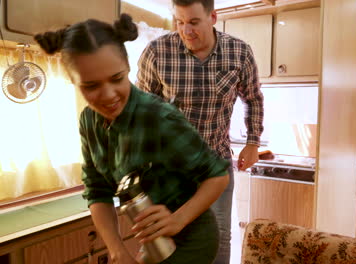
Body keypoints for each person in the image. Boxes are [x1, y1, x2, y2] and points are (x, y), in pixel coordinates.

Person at [34, 14, 230, 264]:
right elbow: (97, 190)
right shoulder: (88, 121)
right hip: (154, 240)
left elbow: (217, 176)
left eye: (117, 79)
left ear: (127, 68)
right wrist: (117, 251)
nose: (108, 95)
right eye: (91, 85)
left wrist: (177, 219)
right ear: (73, 82)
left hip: (192, 238)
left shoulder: (158, 116)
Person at [136, 1, 264, 262]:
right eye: (179, 22)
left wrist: (253, 142)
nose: (186, 31)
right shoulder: (157, 52)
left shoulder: (238, 52)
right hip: (169, 169)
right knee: (165, 238)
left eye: (193, 22)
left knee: (218, 235)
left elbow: (253, 98)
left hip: (215, 163)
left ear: (213, 17)